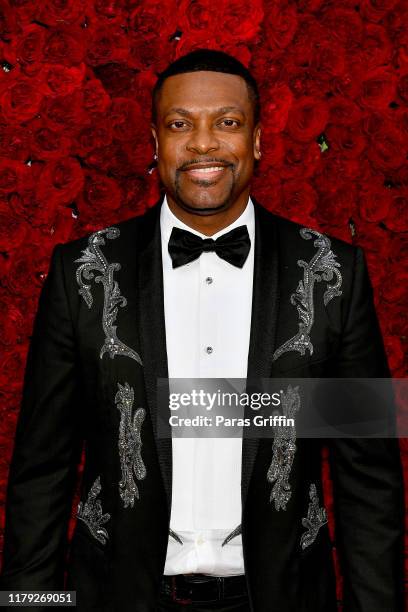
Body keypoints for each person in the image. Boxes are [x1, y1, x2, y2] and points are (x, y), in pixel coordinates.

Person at [0, 48, 404, 612]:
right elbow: (41, 473)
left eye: (228, 123)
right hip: (119, 594)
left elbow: (369, 481)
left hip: (282, 597)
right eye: (180, 124)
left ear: (258, 140)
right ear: (156, 142)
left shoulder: (333, 273)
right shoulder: (83, 272)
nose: (204, 143)